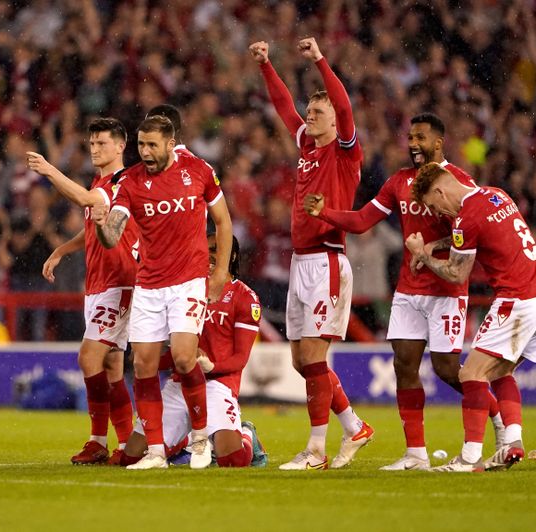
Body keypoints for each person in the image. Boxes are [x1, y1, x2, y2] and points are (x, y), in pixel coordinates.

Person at [303, 113, 504, 470]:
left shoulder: (459, 183)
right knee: (403, 365)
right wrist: (326, 213)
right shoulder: (399, 182)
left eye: (420, 137)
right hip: (409, 291)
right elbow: (364, 220)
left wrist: (431, 252)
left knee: (446, 370)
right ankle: (416, 454)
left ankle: (501, 422)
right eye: (410, 137)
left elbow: (473, 228)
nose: (412, 144)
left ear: (438, 143)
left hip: (447, 288)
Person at [249, 37, 372, 470]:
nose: (310, 116)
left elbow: (343, 102)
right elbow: (285, 108)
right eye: (312, 111)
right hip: (300, 263)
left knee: (315, 359)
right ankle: (355, 427)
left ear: (336, 122)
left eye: (319, 112)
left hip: (327, 261)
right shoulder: (306, 147)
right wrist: (267, 65)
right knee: (303, 362)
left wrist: (320, 60)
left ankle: (316, 451)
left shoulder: (345, 151)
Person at [93, 114, 234, 470]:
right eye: (141, 144)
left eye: (152, 144)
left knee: (185, 358)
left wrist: (219, 273)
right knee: (142, 365)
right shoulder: (131, 182)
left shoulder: (199, 170)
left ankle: (200, 439)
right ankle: (156, 452)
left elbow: (223, 221)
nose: (145, 152)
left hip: (187, 281)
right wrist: (102, 225)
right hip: (149, 284)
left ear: (171, 144)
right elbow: (114, 232)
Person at [408, 164, 536, 472]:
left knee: (470, 375)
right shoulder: (495, 195)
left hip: (517, 302)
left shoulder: (465, 218)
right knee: (501, 372)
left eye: (435, 207)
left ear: (439, 191)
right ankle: (511, 444)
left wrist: (424, 256)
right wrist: (439, 243)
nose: (439, 214)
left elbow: (456, 272)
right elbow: (478, 234)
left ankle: (469, 457)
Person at [26, 117, 138, 465]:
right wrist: (61, 250)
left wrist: (49, 170)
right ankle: (121, 444)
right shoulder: (101, 181)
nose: (94, 149)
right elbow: (92, 227)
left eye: (102, 143)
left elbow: (86, 200)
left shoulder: (120, 183)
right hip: (99, 283)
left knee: (88, 357)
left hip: (118, 283)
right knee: (112, 367)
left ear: (120, 146)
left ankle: (100, 440)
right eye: (91, 143)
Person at [122, 235, 267, 468]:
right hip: (181, 383)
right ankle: (187, 442)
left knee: (234, 462)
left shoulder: (245, 297)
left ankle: (247, 433)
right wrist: (148, 357)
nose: (209, 254)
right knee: (130, 457)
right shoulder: (185, 291)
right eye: (205, 248)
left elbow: (240, 359)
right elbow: (175, 353)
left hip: (217, 384)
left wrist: (211, 366)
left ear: (232, 255)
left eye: (216, 249)